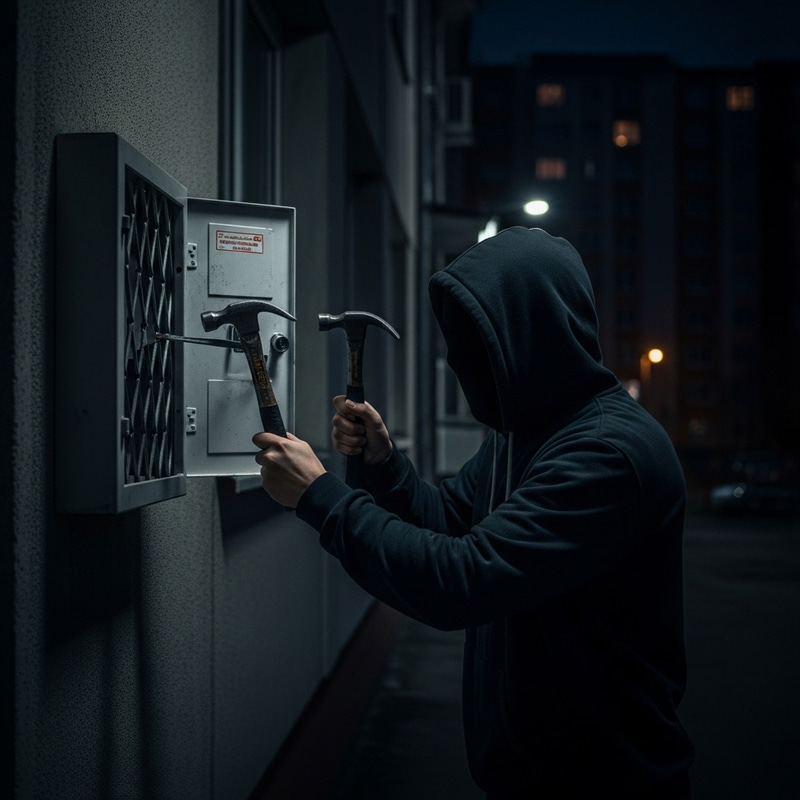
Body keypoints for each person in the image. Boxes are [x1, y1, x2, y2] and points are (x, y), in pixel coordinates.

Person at [254, 226, 695, 798]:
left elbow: (462, 579)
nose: (464, 360)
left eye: (481, 340)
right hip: (527, 777)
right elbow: (449, 519)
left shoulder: (607, 454)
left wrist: (321, 497)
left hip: (608, 782)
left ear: (533, 332)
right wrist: (385, 463)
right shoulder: (524, 432)